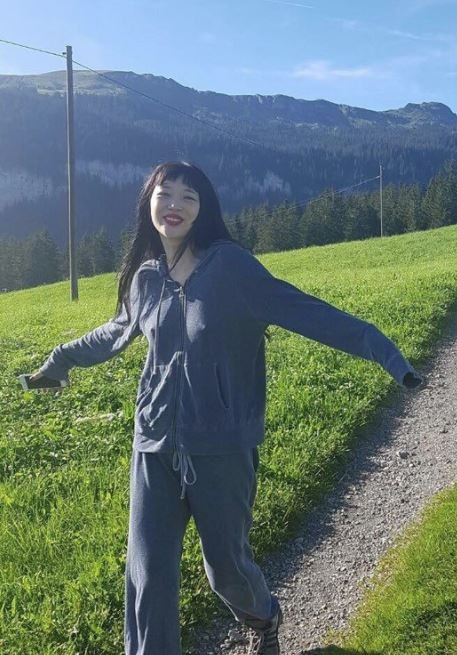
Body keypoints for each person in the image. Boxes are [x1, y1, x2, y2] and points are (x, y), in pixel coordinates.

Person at [30, 161, 423, 655]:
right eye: (165, 194)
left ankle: (264, 617)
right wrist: (59, 361)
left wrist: (389, 356)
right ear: (149, 202)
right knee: (148, 576)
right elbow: (116, 331)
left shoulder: (233, 269)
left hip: (221, 448)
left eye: (188, 196)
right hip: (153, 443)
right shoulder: (146, 278)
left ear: (203, 209)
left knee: (227, 570)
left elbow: (308, 312)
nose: (174, 205)